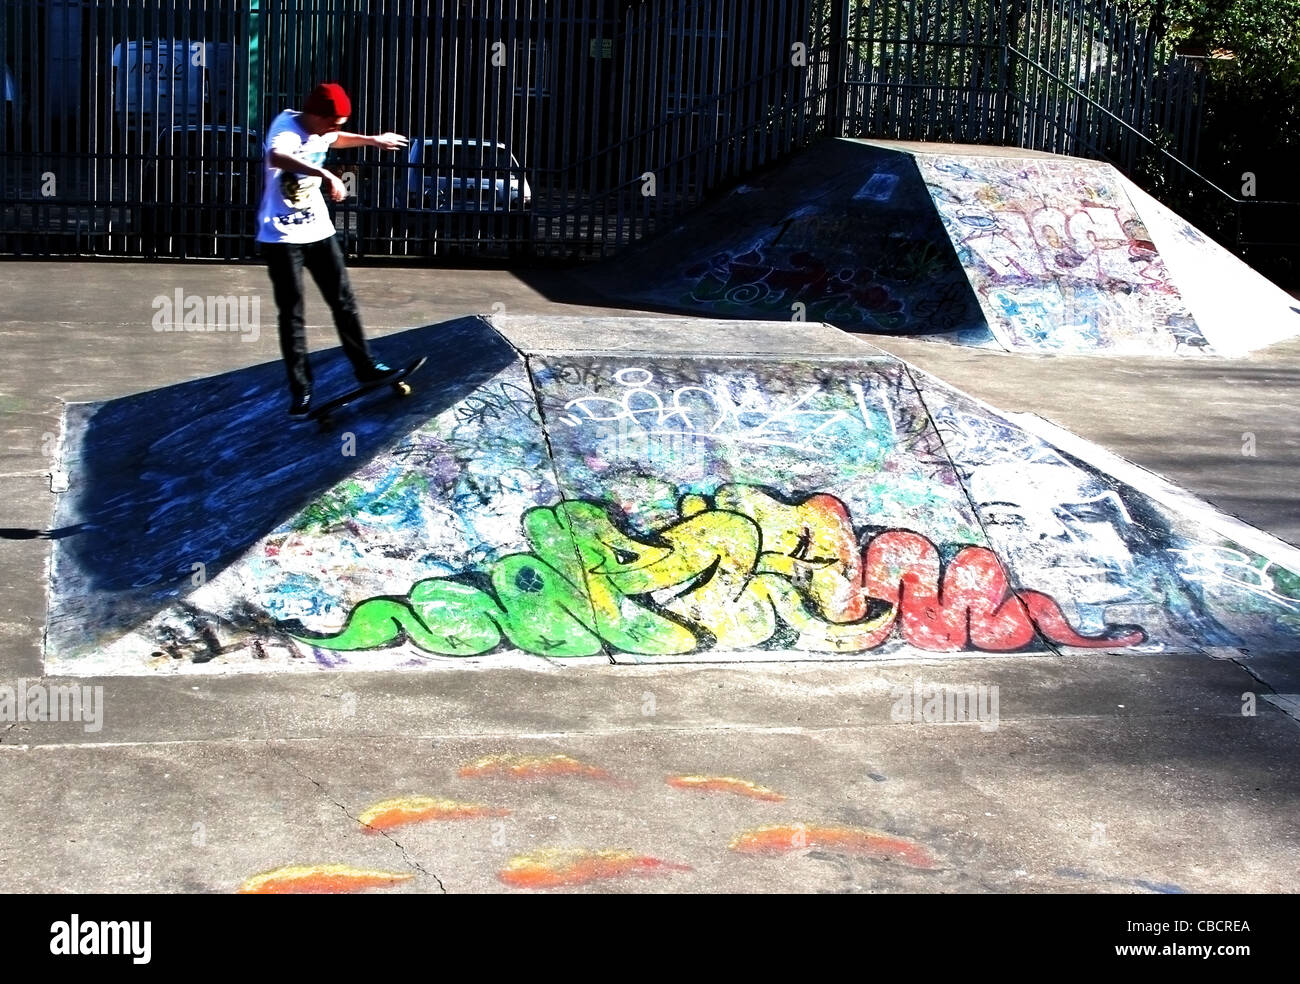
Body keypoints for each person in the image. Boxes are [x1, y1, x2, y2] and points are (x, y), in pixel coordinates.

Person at [255, 82, 409, 418]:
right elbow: (276, 156)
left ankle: (366, 368)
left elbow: (334, 138)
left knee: (343, 300)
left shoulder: (324, 128)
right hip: (280, 236)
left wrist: (372, 140)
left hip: (318, 230)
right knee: (293, 314)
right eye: (332, 121)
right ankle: (301, 392)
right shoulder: (286, 128)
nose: (335, 129)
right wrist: (324, 173)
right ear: (315, 114)